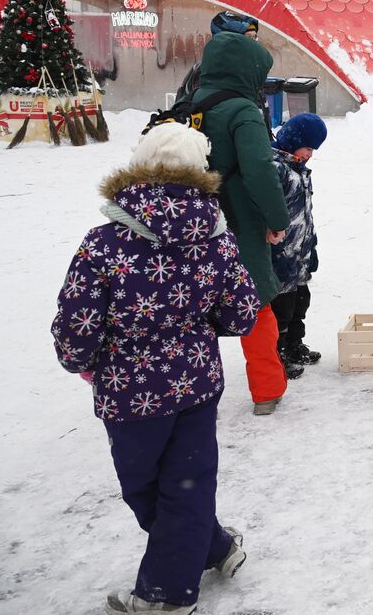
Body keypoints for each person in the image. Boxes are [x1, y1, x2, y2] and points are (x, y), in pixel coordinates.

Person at [51, 124, 256, 615]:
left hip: (129, 394)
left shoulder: (103, 242)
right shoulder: (218, 240)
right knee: (184, 483)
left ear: (139, 167)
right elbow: (241, 314)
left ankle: (165, 596)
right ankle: (215, 548)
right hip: (197, 382)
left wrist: (80, 360)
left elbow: (78, 323)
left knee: (147, 485)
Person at [193, 32, 292, 416]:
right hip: (235, 221)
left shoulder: (190, 104)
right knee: (257, 304)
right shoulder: (242, 111)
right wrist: (277, 218)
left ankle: (195, 391)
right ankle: (267, 390)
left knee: (195, 310)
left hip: (191, 223)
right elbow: (259, 171)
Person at [269, 113, 327, 377]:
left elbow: (305, 212)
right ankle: (277, 351)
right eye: (308, 148)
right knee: (282, 306)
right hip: (281, 251)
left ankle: (294, 344)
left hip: (300, 251)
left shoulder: (299, 170)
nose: (311, 154)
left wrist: (310, 244)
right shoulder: (276, 169)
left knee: (300, 302)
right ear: (294, 141)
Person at [176, 11, 260, 103]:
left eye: (254, 37)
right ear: (228, 41)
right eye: (248, 37)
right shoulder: (207, 73)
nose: (254, 43)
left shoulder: (251, 69)